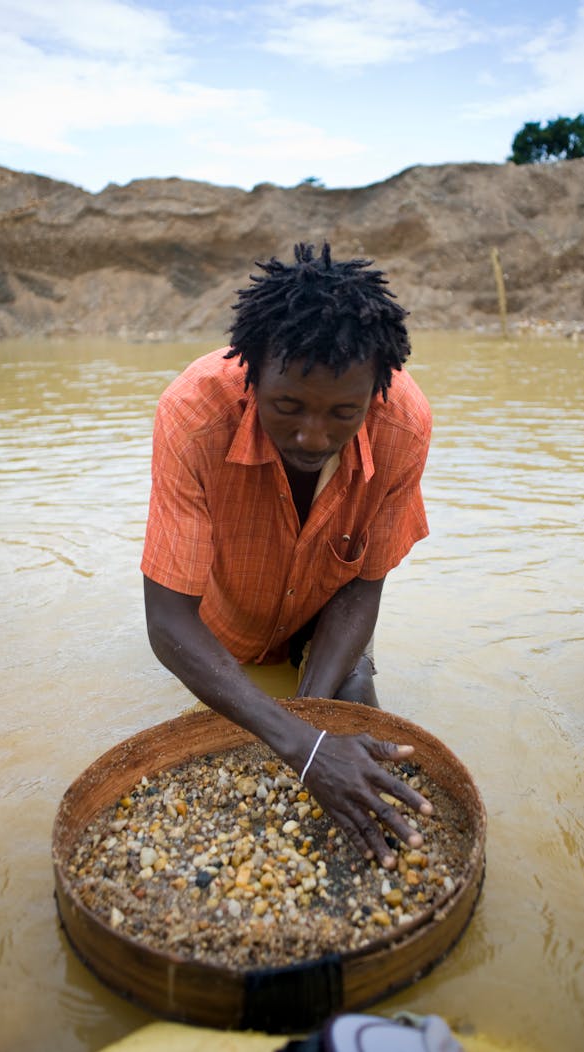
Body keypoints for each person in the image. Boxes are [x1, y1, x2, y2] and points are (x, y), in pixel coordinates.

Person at [141, 242, 433, 869]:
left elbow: (364, 584)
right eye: (288, 407)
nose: (312, 436)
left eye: (342, 414)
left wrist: (311, 724)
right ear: (251, 373)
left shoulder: (404, 423)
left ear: (375, 394)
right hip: (229, 623)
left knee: (357, 702)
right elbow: (168, 623)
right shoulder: (192, 416)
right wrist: (301, 745)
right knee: (249, 721)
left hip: (332, 609)